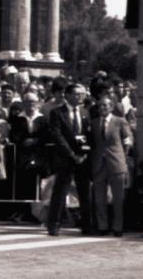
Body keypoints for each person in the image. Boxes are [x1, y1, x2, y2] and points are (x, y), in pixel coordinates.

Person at [46, 83, 92, 236]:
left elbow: (88, 135)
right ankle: (54, 224)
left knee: (84, 192)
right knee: (60, 192)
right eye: (77, 94)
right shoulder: (57, 113)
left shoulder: (85, 112)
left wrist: (84, 154)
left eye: (82, 94)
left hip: (82, 158)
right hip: (65, 158)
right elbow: (57, 136)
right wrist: (72, 154)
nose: (80, 97)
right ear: (67, 95)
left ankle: (87, 224)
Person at [90, 95, 132, 237]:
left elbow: (128, 141)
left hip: (116, 163)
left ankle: (118, 226)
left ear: (111, 107)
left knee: (118, 198)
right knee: (99, 198)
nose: (102, 108)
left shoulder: (120, 121)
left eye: (105, 105)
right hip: (99, 164)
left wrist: (122, 158)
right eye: (100, 105)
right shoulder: (94, 123)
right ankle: (103, 226)